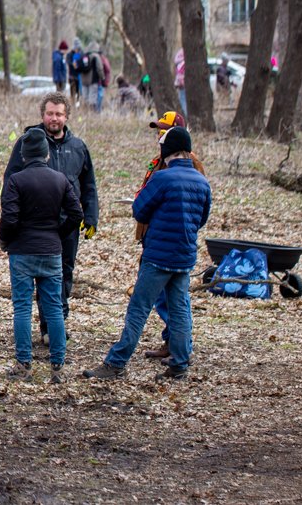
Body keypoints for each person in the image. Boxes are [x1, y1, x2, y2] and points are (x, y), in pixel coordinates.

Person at [84, 127, 211, 382]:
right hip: (184, 256)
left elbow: (140, 211)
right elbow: (202, 219)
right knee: (180, 310)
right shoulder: (202, 181)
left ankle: (116, 362)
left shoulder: (162, 179)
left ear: (167, 151)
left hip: (158, 257)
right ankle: (180, 363)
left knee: (138, 309)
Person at [4, 92, 97, 345]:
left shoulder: (78, 147)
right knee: (33, 279)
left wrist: (90, 218)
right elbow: (9, 182)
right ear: (42, 114)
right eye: (49, 113)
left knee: (64, 273)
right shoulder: (29, 143)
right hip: (33, 225)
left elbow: (88, 185)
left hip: (68, 224)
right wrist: (11, 223)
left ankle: (54, 325)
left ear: (66, 116)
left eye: (58, 114)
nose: (54, 118)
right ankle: (46, 328)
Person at [0, 128, 83, 383]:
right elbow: (77, 215)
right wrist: (58, 233)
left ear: (24, 156)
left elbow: (9, 218)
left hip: (22, 252)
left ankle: (24, 366)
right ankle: (58, 367)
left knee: (22, 308)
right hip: (51, 252)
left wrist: (7, 240)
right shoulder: (60, 180)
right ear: (46, 155)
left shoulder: (16, 181)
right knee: (54, 309)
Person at [138, 112, 206, 362]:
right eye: (158, 130)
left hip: (174, 242)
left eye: (164, 130)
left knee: (172, 300)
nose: (159, 134)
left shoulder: (191, 164)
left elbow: (196, 204)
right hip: (154, 235)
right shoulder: (158, 161)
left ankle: (181, 346)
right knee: (164, 298)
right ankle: (173, 342)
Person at [174, 48, 187, 116]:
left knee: (182, 99)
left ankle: (183, 114)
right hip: (184, 84)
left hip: (180, 84)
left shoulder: (179, 63)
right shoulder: (184, 63)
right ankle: (185, 115)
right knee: (183, 100)